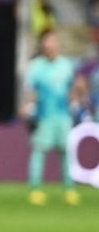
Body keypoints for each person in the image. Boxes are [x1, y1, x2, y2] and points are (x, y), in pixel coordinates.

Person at [22, 30, 81, 206]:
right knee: (39, 151)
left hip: (63, 116)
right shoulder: (36, 66)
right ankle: (35, 189)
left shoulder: (67, 65)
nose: (50, 45)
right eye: (47, 42)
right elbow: (31, 92)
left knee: (66, 152)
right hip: (44, 116)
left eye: (53, 41)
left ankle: (70, 189)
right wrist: (28, 107)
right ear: (42, 45)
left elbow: (72, 89)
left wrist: (76, 104)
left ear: (58, 44)